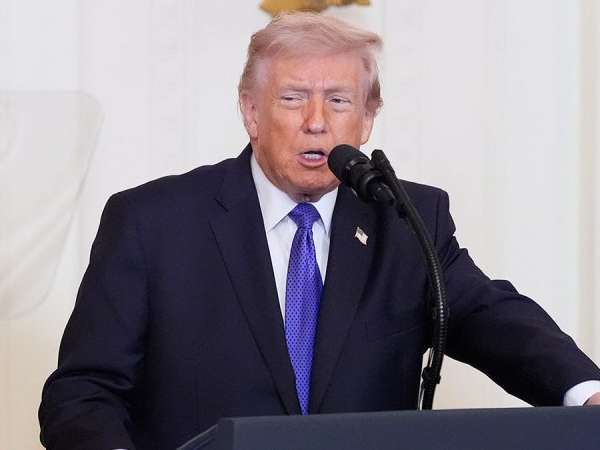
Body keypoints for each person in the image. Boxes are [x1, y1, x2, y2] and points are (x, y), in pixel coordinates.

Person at [39, 11, 600, 450]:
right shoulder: (153, 222)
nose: (316, 121)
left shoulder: (407, 218)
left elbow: (490, 316)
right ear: (251, 112)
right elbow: (83, 392)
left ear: (367, 118)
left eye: (338, 101)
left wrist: (587, 392)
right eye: (292, 99)